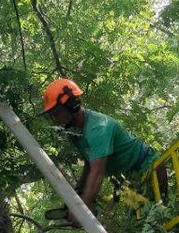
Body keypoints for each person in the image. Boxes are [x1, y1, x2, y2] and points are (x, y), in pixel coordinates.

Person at [42, 78, 166, 224]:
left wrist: (81, 210)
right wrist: (79, 194)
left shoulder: (98, 128)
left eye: (56, 113)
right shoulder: (76, 135)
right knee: (139, 229)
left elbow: (97, 173)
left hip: (149, 168)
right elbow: (89, 166)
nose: (54, 119)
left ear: (72, 106)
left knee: (158, 223)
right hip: (132, 179)